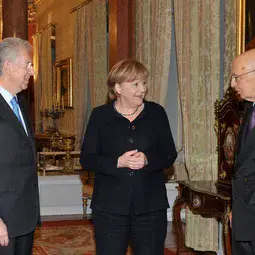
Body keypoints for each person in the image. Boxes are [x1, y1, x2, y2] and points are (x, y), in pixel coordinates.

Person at [80, 59, 177, 255]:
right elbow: (87, 158)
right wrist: (118, 162)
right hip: (109, 209)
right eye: (135, 84)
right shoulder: (100, 116)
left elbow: (169, 154)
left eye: (143, 83)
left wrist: (147, 159)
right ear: (118, 88)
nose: (142, 89)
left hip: (150, 208)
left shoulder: (156, 113)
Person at [0, 37, 40, 255]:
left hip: (24, 217)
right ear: (7, 67)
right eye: (27, 65)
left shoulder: (21, 103)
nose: (32, 71)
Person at [230, 48, 255, 254]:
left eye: (237, 77)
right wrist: (236, 210)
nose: (233, 84)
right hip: (245, 216)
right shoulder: (249, 109)